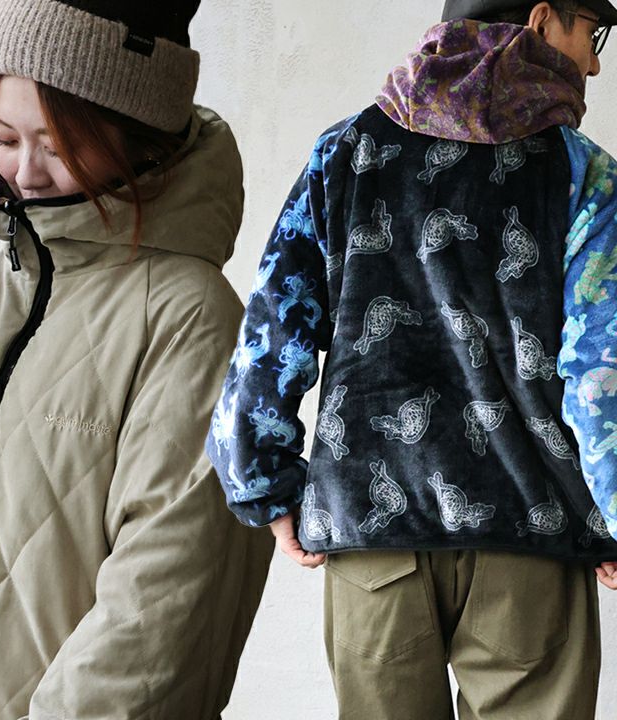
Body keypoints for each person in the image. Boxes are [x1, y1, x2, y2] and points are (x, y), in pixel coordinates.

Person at [207, 1, 617, 717]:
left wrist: (262, 482)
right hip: (532, 535)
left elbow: (274, 328)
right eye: (592, 33)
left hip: (373, 536)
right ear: (542, 19)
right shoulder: (583, 172)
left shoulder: (345, 152)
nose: (596, 62)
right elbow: (600, 371)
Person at [0, 1, 273, 718]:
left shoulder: (191, 318)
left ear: (137, 138)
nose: (25, 172)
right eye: (5, 137)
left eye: (59, 144)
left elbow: (161, 611)